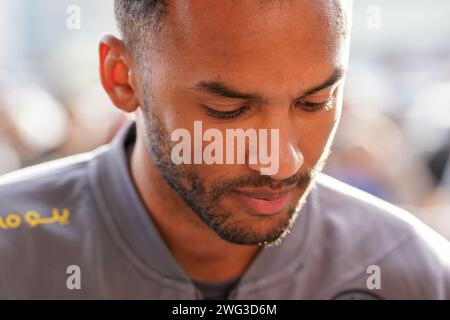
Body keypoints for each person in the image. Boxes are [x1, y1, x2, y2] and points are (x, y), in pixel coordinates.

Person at [0, 0, 449, 299]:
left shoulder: (415, 274)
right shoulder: (11, 249)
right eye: (228, 109)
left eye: (315, 102)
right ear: (122, 78)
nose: (281, 160)